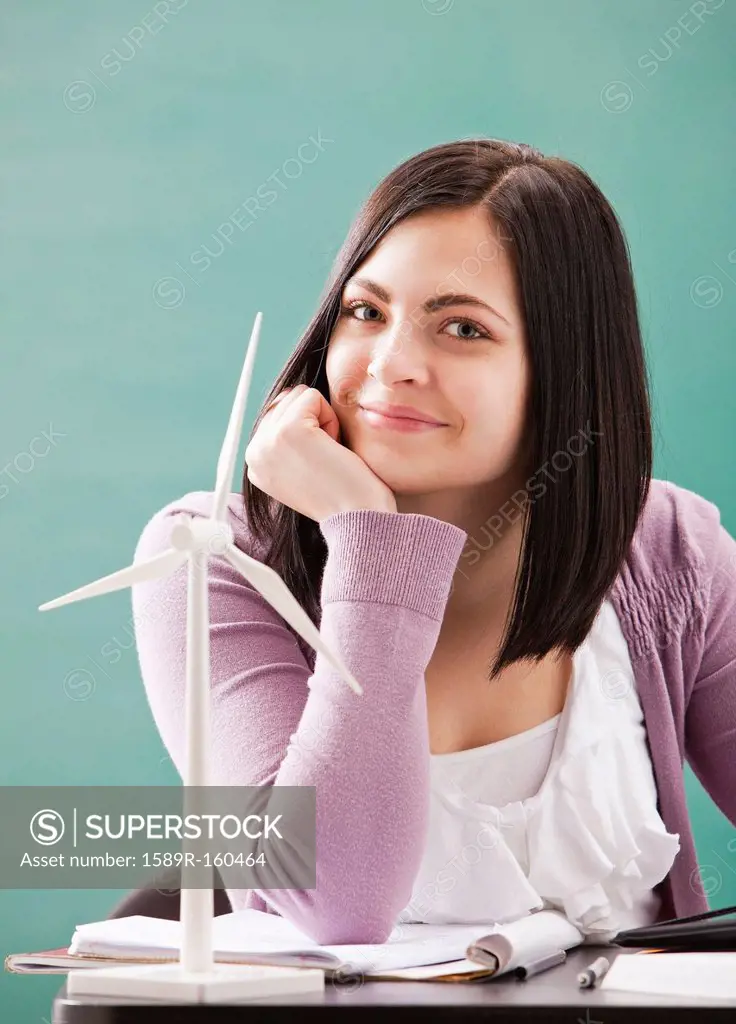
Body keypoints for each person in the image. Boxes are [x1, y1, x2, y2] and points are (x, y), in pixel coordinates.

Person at [130, 138, 736, 946]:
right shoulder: (215, 560)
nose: (391, 365)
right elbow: (335, 904)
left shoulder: (668, 555)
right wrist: (370, 542)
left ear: (567, 371)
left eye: (461, 328)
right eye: (366, 312)